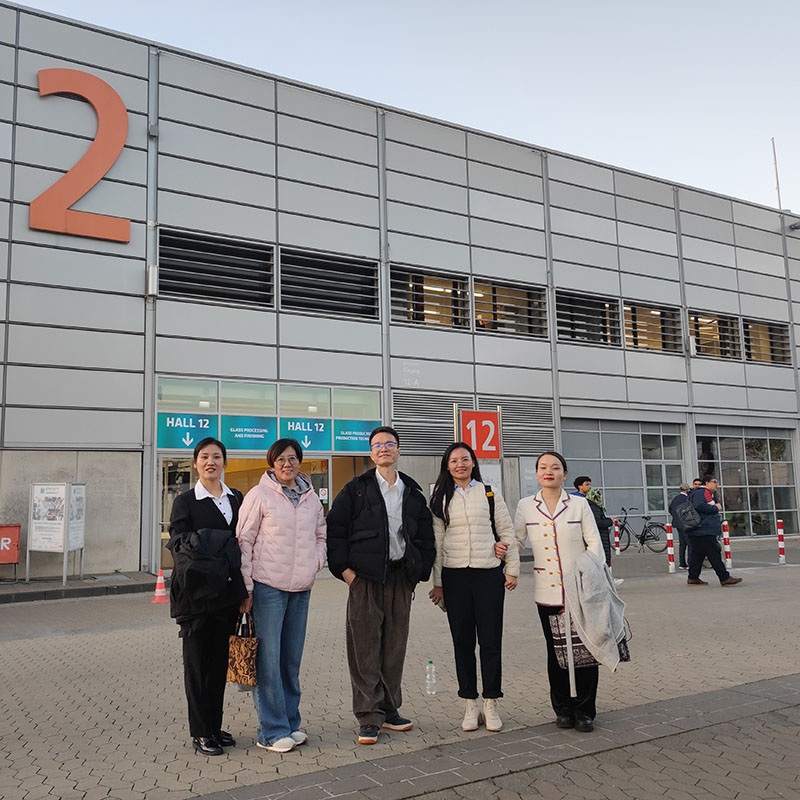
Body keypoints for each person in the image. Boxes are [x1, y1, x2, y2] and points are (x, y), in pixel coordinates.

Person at [326, 426, 435, 745]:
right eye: (377, 445)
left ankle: (389, 710)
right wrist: (345, 571)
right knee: (364, 649)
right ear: (371, 453)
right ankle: (368, 715)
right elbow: (335, 530)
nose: (383, 449)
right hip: (365, 580)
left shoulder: (412, 492)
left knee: (394, 648)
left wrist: (419, 571)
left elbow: (426, 535)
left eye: (389, 444)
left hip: (401, 579)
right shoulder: (356, 489)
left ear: (398, 450)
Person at [237, 438, 327, 753]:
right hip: (268, 588)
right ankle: (271, 731)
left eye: (292, 459)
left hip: (301, 589)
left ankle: (290, 722)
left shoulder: (311, 498)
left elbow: (321, 535)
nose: (287, 464)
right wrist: (246, 588)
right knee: (269, 661)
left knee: (290, 661)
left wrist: (315, 562)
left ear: (300, 462)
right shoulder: (259, 495)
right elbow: (244, 541)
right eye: (280, 460)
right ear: (272, 464)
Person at [428, 442, 519, 732]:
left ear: (473, 462)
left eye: (465, 459)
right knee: (462, 642)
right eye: (454, 461)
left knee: (491, 641)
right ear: (447, 466)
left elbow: (507, 531)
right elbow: (437, 543)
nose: (460, 464)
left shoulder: (489, 493)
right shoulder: (440, 497)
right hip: (455, 577)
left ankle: (491, 702)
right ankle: (470, 703)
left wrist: (512, 569)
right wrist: (438, 583)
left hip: (488, 575)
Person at [512, 451, 606, 733]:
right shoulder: (526, 506)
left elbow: (594, 544)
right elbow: (515, 542)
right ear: (536, 473)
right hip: (547, 592)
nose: (549, 472)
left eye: (555, 467)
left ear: (564, 474)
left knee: (584, 651)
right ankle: (563, 708)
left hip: (580, 590)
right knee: (556, 652)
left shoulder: (579, 504)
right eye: (543, 467)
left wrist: (589, 578)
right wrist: (502, 557)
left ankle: (585, 710)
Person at [167, 437, 248, 756]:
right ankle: (200, 732)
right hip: (196, 596)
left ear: (224, 462)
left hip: (227, 595)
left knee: (218, 665)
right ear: (196, 463)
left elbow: (244, 545)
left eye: (216, 456)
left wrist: (244, 591)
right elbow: (179, 543)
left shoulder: (236, 498)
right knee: (197, 666)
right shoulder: (186, 501)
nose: (210, 462)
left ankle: (214, 726)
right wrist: (223, 544)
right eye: (204, 457)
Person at [687, 476, 742, 587]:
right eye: (714, 482)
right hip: (704, 529)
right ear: (707, 483)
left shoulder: (699, 493)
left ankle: (693, 577)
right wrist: (715, 508)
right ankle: (724, 578)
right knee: (714, 553)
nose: (717, 484)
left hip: (698, 529)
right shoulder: (703, 492)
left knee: (697, 554)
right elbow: (699, 506)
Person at [668, 483, 692, 569]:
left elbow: (670, 509)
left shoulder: (676, 498)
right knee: (690, 544)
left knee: (682, 544)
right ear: (687, 490)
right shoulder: (687, 499)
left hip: (677, 523)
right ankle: (690, 563)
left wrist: (676, 517)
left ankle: (682, 563)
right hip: (686, 524)